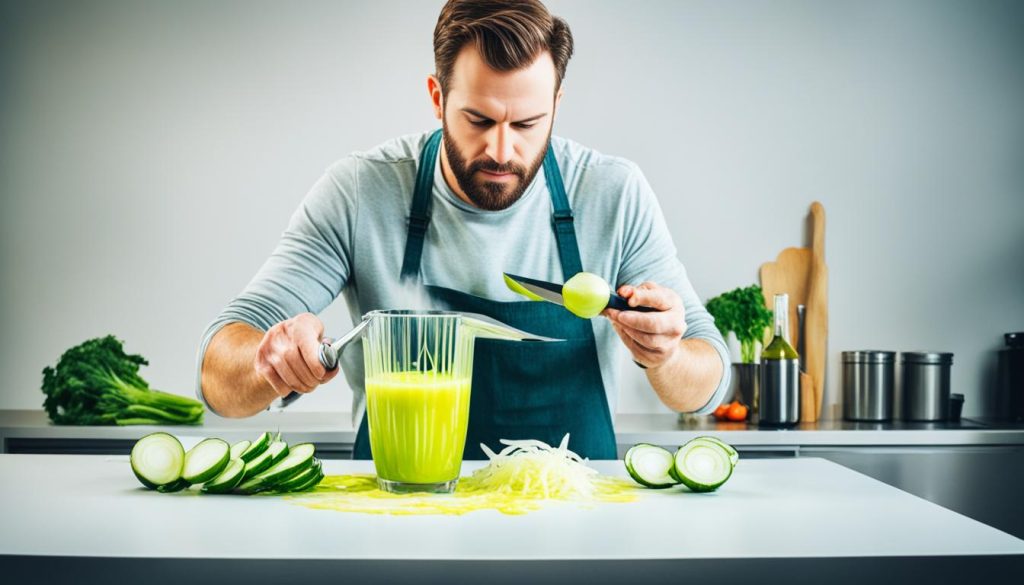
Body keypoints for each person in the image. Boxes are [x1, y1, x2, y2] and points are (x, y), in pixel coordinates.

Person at [196, 0, 730, 460]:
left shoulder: (612, 192)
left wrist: (666, 353)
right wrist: (271, 360)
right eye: (479, 120)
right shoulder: (360, 191)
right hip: (402, 516)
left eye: (527, 124)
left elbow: (707, 384)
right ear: (437, 97)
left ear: (556, 106)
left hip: (572, 518)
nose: (501, 150)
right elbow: (217, 379)